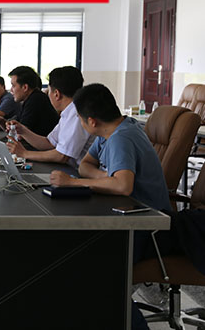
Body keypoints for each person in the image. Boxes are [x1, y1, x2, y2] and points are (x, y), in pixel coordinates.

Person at [48, 83, 170, 330]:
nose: (80, 123)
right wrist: (106, 177)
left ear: (91, 121)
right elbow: (85, 165)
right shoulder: (112, 131)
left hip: (147, 228)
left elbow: (123, 186)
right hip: (126, 216)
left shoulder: (121, 138)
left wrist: (73, 183)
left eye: (80, 119)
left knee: (99, 275)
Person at [6, 66, 93, 169]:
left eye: (49, 90)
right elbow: (49, 143)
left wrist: (24, 153)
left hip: (76, 172)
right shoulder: (68, 112)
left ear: (56, 94)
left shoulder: (77, 114)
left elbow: (62, 156)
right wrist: (23, 130)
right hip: (67, 167)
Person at [0, 66, 59, 136]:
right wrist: (2, 122)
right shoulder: (29, 99)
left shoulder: (35, 100)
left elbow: (20, 135)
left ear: (25, 87)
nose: (11, 90)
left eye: (13, 86)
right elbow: (17, 129)